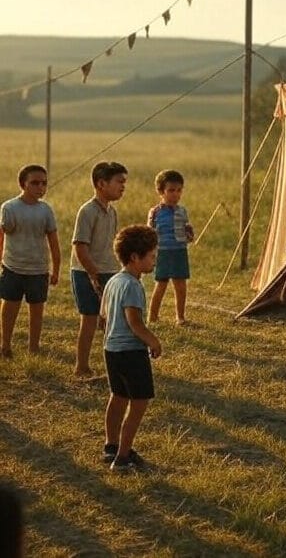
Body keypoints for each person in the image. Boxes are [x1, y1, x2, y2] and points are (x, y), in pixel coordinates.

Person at [100, 224, 161, 472]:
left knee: (118, 397)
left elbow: (103, 316)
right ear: (135, 257)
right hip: (130, 352)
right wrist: (153, 341)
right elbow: (134, 322)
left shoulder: (113, 281)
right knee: (138, 403)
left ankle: (111, 446)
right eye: (152, 255)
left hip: (111, 350)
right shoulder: (133, 286)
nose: (155, 259)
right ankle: (123, 457)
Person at [70, 161, 128, 377]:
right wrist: (93, 275)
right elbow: (80, 247)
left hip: (109, 271)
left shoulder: (112, 212)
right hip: (86, 272)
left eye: (124, 182)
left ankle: (114, 366)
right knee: (89, 318)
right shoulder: (87, 211)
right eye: (119, 182)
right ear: (101, 183)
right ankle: (81, 366)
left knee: (109, 320)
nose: (123, 186)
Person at [0, 165, 60, 358]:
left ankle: (33, 347)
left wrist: (56, 269)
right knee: (10, 306)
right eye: (35, 183)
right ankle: (5, 344)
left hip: (38, 269)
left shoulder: (46, 210)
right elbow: (2, 234)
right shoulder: (9, 207)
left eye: (44, 183)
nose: (40, 187)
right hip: (13, 267)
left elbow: (53, 242)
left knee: (37, 310)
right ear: (23, 184)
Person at [147, 169, 194, 325]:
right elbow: (150, 232)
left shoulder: (182, 211)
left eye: (179, 190)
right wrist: (150, 252)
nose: (175, 194)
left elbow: (186, 231)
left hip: (179, 251)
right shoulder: (155, 212)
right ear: (161, 191)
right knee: (161, 283)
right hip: (162, 252)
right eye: (171, 190)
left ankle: (180, 317)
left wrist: (189, 234)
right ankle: (152, 316)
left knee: (180, 285)